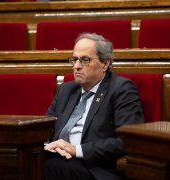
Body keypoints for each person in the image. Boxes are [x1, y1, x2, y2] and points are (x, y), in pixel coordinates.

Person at [44, 32, 144, 180]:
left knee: (44, 168)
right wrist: (48, 146)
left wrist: (75, 150)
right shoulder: (66, 90)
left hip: (94, 168)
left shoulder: (121, 89)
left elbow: (127, 141)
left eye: (84, 60)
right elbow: (45, 127)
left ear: (105, 63)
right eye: (74, 60)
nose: (77, 66)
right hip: (58, 158)